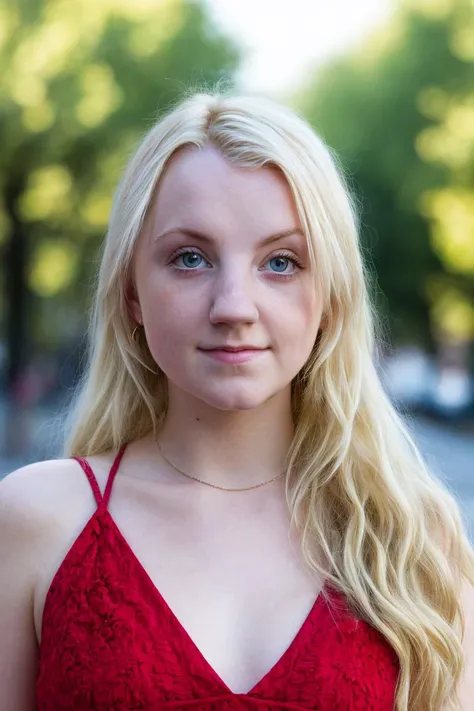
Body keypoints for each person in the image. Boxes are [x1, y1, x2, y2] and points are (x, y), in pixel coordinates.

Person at [1, 90, 473, 711]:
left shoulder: (411, 539)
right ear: (132, 292)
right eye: (190, 258)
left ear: (330, 296)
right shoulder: (36, 521)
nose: (234, 308)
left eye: (281, 262)